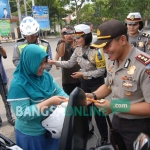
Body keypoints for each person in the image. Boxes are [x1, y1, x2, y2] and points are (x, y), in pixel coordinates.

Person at [89, 19, 150, 150]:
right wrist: (92, 95)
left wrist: (115, 105)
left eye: (107, 45)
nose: (104, 51)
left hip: (139, 127)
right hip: (117, 122)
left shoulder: (145, 65)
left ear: (122, 40)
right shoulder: (112, 59)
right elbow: (108, 86)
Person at [48, 24, 108, 144]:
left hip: (97, 84)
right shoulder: (78, 49)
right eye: (75, 37)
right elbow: (70, 63)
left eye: (79, 37)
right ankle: (88, 131)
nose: (75, 40)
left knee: (99, 112)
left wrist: (82, 74)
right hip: (84, 84)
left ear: (86, 36)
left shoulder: (97, 50)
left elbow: (101, 71)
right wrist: (54, 62)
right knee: (85, 111)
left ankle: (104, 138)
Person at [7, 44, 68, 150]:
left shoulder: (45, 76)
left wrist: (73, 100)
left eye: (45, 62)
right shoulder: (18, 84)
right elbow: (23, 113)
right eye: (40, 63)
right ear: (30, 63)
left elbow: (59, 92)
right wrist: (49, 102)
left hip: (52, 129)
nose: (44, 66)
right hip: (31, 135)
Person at [55, 25, 81, 95]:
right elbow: (60, 54)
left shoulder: (79, 43)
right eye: (67, 33)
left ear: (74, 34)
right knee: (69, 101)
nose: (69, 36)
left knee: (81, 101)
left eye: (71, 33)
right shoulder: (62, 44)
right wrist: (63, 41)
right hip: (68, 79)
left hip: (81, 78)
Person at [0, 41, 15, 126]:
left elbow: (5, 55)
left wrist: (1, 47)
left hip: (2, 79)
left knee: (7, 101)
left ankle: (10, 118)